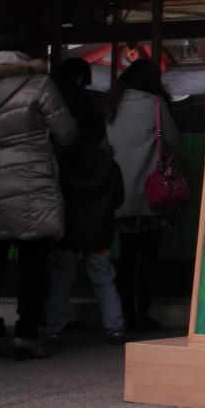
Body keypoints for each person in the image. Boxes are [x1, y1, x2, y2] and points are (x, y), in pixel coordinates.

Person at [0, 25, 78, 360]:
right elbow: (66, 132)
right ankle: (26, 335)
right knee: (34, 263)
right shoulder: (39, 83)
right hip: (32, 183)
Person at [43, 58, 126, 346]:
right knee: (103, 276)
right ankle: (115, 327)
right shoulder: (107, 163)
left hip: (66, 230)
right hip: (98, 230)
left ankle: (53, 328)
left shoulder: (59, 161)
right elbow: (118, 198)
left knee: (61, 277)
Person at [107, 58, 179, 333]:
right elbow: (174, 140)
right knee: (148, 258)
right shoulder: (156, 104)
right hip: (152, 196)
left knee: (126, 256)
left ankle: (125, 316)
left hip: (122, 194)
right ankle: (143, 315)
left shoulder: (112, 105)